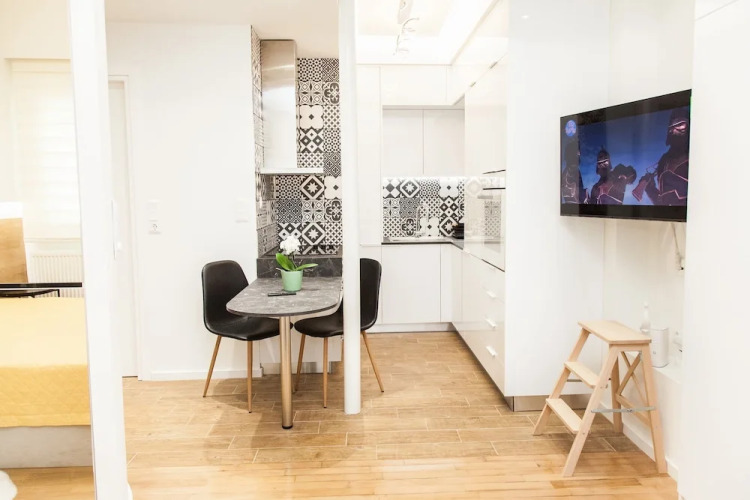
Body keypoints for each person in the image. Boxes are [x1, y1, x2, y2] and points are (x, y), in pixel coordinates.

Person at [635, 108, 689, 205]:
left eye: (680, 125)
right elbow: (663, 201)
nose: (674, 130)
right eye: (672, 127)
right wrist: (650, 188)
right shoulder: (664, 160)